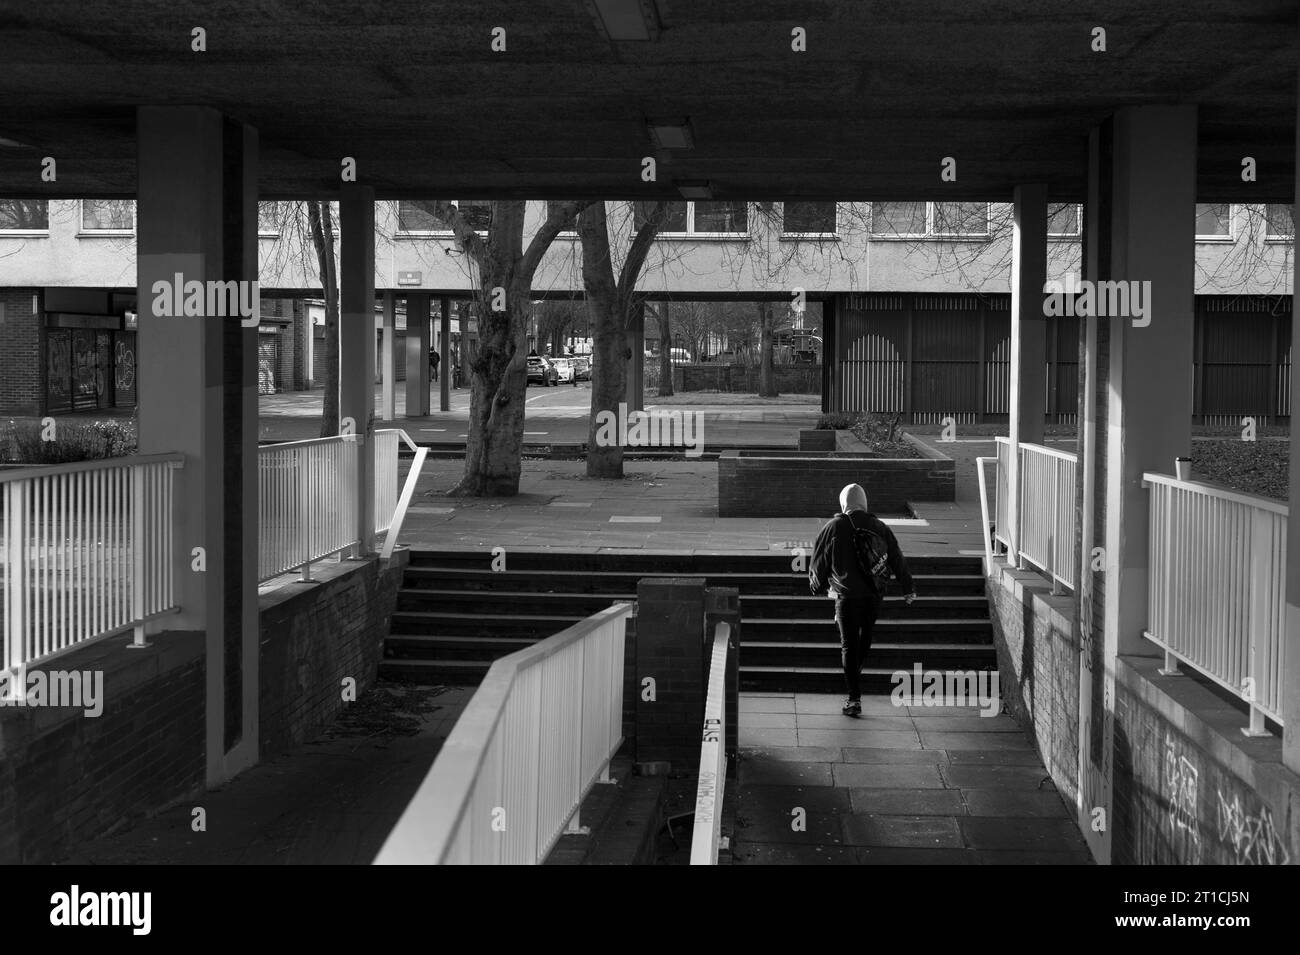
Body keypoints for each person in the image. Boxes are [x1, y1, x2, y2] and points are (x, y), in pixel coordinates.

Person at [809, 483, 916, 716]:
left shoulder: (834, 527)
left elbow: (819, 559)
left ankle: (854, 697)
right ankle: (854, 678)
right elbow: (896, 557)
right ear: (864, 502)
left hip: (845, 596)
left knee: (848, 645)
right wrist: (908, 587)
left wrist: (816, 585)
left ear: (843, 502)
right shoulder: (879, 526)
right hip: (873, 596)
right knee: (864, 639)